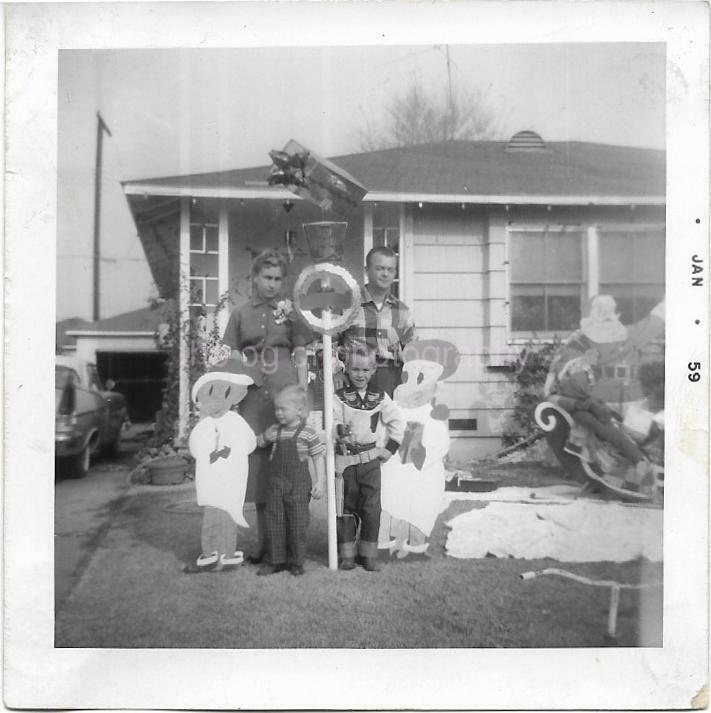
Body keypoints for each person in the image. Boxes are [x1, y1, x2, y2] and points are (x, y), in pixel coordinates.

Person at [221, 249, 313, 563]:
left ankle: (292, 541)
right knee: (259, 468)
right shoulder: (240, 314)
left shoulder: (291, 313)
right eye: (267, 277)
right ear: (255, 278)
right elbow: (233, 360)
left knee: (291, 465)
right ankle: (266, 541)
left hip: (285, 396)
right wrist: (230, 400)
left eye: (277, 279)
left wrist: (305, 396)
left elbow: (300, 355)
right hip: (251, 400)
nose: (272, 284)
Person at [546, 294, 665, 490]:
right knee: (610, 445)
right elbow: (565, 367)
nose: (606, 315)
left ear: (617, 313)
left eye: (610, 310)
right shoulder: (582, 339)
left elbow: (656, 320)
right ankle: (621, 482)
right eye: (600, 310)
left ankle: (640, 481)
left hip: (633, 399)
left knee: (642, 438)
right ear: (591, 314)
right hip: (602, 398)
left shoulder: (631, 333)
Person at [333, 346, 405, 572]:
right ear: (347, 369)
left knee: (372, 509)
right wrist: (339, 429)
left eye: (365, 369)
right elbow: (332, 420)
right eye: (355, 369)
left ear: (373, 370)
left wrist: (390, 448)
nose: (360, 374)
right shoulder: (340, 397)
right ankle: (346, 555)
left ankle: (368, 555)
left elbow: (397, 422)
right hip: (346, 462)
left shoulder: (380, 397)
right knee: (345, 508)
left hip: (371, 463)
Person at [185, 356, 256, 574]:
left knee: (229, 518)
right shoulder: (204, 426)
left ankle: (227, 555)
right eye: (210, 401)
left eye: (221, 399)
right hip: (211, 480)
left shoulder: (236, 422)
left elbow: (249, 443)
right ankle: (210, 555)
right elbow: (196, 449)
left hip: (230, 479)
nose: (216, 406)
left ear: (231, 398)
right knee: (211, 518)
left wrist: (231, 452)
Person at [255, 385, 325, 577]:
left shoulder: (308, 433)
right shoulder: (275, 430)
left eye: (283, 409)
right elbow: (258, 443)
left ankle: (296, 561)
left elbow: (318, 457)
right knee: (274, 520)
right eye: (276, 409)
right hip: (276, 484)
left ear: (300, 411)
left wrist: (320, 482)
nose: (278, 413)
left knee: (297, 522)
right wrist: (263, 437)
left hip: (299, 485)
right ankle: (276, 561)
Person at [339, 246, 415, 397]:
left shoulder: (402, 311)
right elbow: (329, 343)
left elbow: (413, 351)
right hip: (354, 377)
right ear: (367, 270)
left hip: (391, 379)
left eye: (390, 269)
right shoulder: (348, 304)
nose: (385, 274)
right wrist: (335, 371)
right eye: (380, 268)